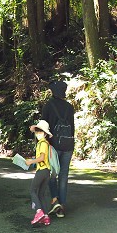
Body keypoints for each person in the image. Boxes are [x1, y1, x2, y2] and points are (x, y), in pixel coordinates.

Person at [40, 80, 75, 218]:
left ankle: (55, 200)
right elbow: (72, 128)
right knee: (64, 176)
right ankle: (62, 206)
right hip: (68, 145)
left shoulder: (48, 106)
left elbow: (43, 126)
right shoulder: (69, 107)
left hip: (53, 146)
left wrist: (44, 143)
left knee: (51, 174)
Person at [25, 119, 53, 226]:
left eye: (40, 132)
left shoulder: (42, 143)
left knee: (32, 190)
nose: (38, 134)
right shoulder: (46, 143)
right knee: (41, 194)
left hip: (41, 171)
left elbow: (42, 158)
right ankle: (45, 217)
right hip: (47, 171)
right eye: (37, 131)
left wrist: (31, 161)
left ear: (45, 134)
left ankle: (39, 211)